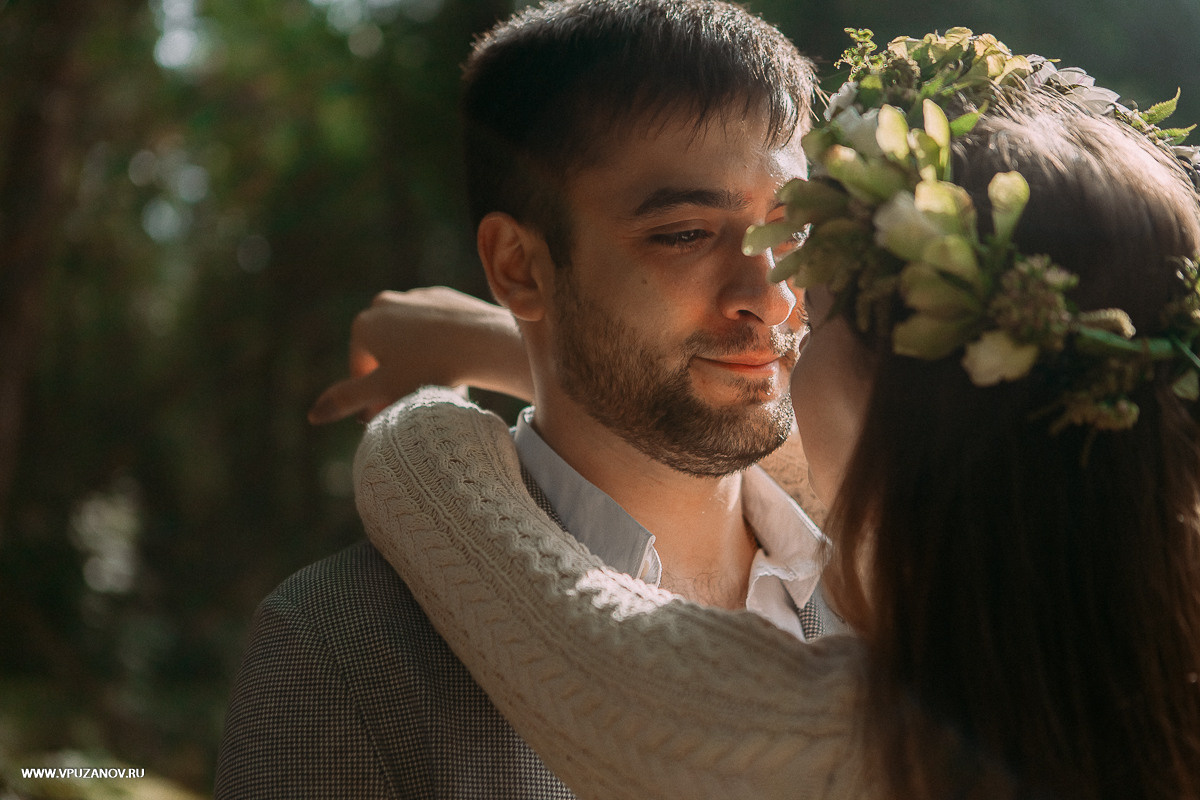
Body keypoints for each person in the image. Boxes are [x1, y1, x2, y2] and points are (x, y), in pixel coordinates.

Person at [353, 30, 1200, 800]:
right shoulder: (1132, 642)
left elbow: (597, 660)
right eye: (686, 234)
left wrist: (427, 422)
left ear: (917, 405)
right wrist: (538, 345)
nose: (779, 309)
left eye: (815, 293)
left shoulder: (891, 742)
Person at [216, 2, 834, 797]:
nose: (772, 298)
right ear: (517, 267)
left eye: (794, 234)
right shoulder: (343, 649)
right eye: (685, 233)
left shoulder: (908, 593)